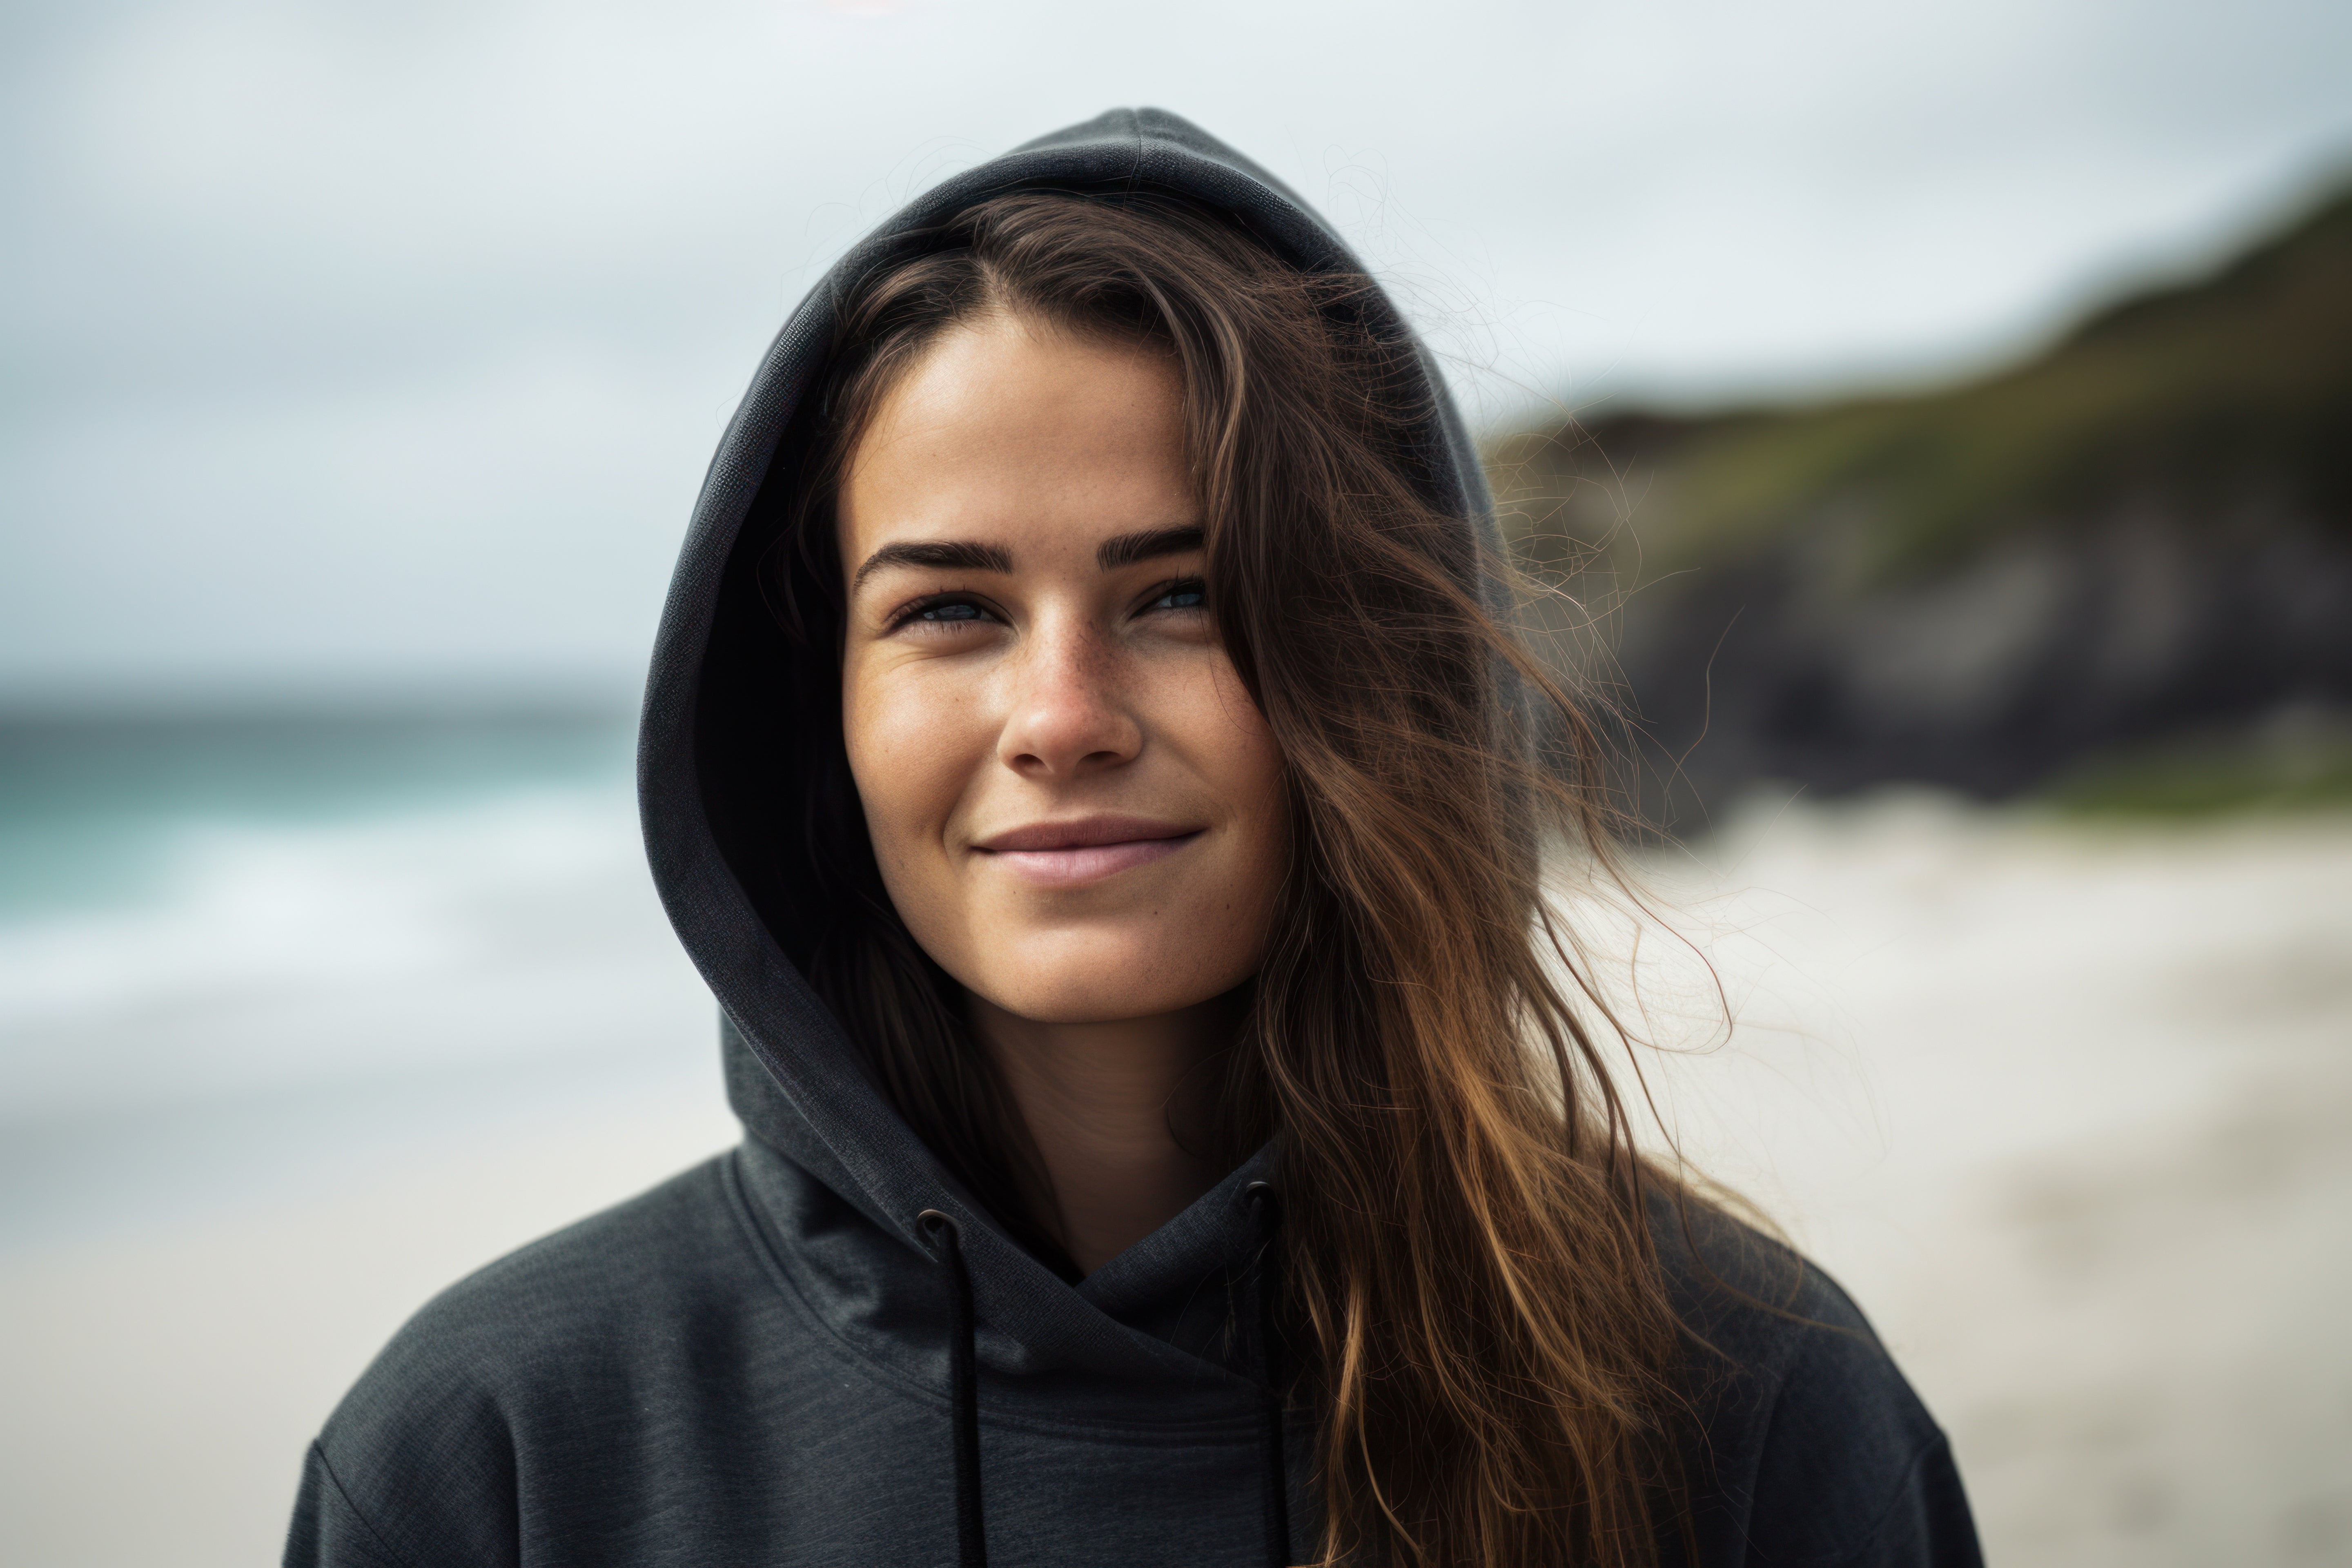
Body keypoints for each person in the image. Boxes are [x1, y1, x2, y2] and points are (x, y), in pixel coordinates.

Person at [285, 109, 1981, 1568]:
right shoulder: (498, 1460)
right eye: (951, 609)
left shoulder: (1747, 1411)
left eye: (1182, 594)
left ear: (1383, 674)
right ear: (825, 716)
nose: (1063, 712)